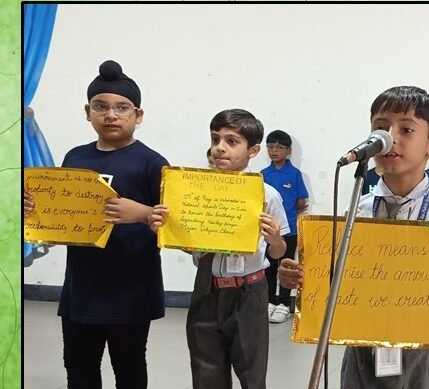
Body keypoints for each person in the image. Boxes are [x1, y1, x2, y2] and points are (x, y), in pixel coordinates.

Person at [279, 86, 429, 387]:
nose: (391, 138)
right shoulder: (357, 210)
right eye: (381, 128)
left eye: (406, 129)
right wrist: (301, 276)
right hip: (364, 347)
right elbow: (334, 276)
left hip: (427, 351)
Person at [23, 60, 168, 388]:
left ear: (138, 115)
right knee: (78, 367)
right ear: (88, 112)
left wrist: (143, 213)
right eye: (100, 107)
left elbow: (172, 224)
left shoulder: (153, 163)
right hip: (82, 287)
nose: (111, 115)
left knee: (129, 368)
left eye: (122, 107)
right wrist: (36, 211)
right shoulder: (76, 158)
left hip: (131, 289)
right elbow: (60, 215)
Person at [150, 109, 289, 389]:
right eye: (215, 139)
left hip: (249, 289)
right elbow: (193, 246)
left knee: (252, 371)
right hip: (207, 287)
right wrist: (167, 230)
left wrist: (275, 238)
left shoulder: (267, 195)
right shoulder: (194, 191)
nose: (220, 148)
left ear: (253, 150)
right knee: (206, 370)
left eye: (231, 141)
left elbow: (278, 253)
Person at [261, 129, 309, 323]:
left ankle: (283, 304)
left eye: (280, 147)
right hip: (267, 231)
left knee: (287, 267)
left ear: (288, 151)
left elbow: (301, 201)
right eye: (271, 147)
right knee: (269, 267)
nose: (274, 151)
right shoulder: (263, 174)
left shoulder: (295, 174)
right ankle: (268, 301)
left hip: (290, 230)